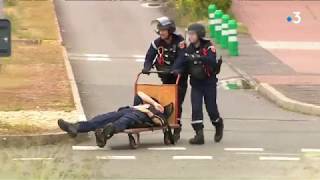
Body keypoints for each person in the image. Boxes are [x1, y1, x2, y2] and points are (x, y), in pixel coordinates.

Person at [57, 91, 173, 147]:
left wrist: (148, 111)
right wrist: (153, 102)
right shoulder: (148, 103)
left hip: (140, 116)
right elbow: (140, 93)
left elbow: (160, 123)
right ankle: (74, 127)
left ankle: (105, 133)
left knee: (125, 120)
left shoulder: (157, 112)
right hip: (126, 110)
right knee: (101, 119)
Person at [171, 23, 223, 145]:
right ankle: (199, 134)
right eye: (189, 34)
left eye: (193, 34)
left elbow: (212, 60)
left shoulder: (209, 46)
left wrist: (198, 57)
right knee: (196, 108)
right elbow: (182, 59)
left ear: (199, 35)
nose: (190, 36)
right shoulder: (189, 48)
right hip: (196, 83)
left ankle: (218, 124)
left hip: (209, 83)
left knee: (211, 108)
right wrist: (176, 69)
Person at [142, 16, 188, 141]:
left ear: (170, 30)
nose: (161, 32)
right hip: (166, 77)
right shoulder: (157, 43)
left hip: (179, 78)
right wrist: (146, 67)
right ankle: (167, 125)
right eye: (160, 29)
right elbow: (149, 56)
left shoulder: (180, 42)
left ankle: (177, 126)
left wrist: (176, 68)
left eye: (164, 29)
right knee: (166, 102)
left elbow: (182, 57)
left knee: (177, 102)